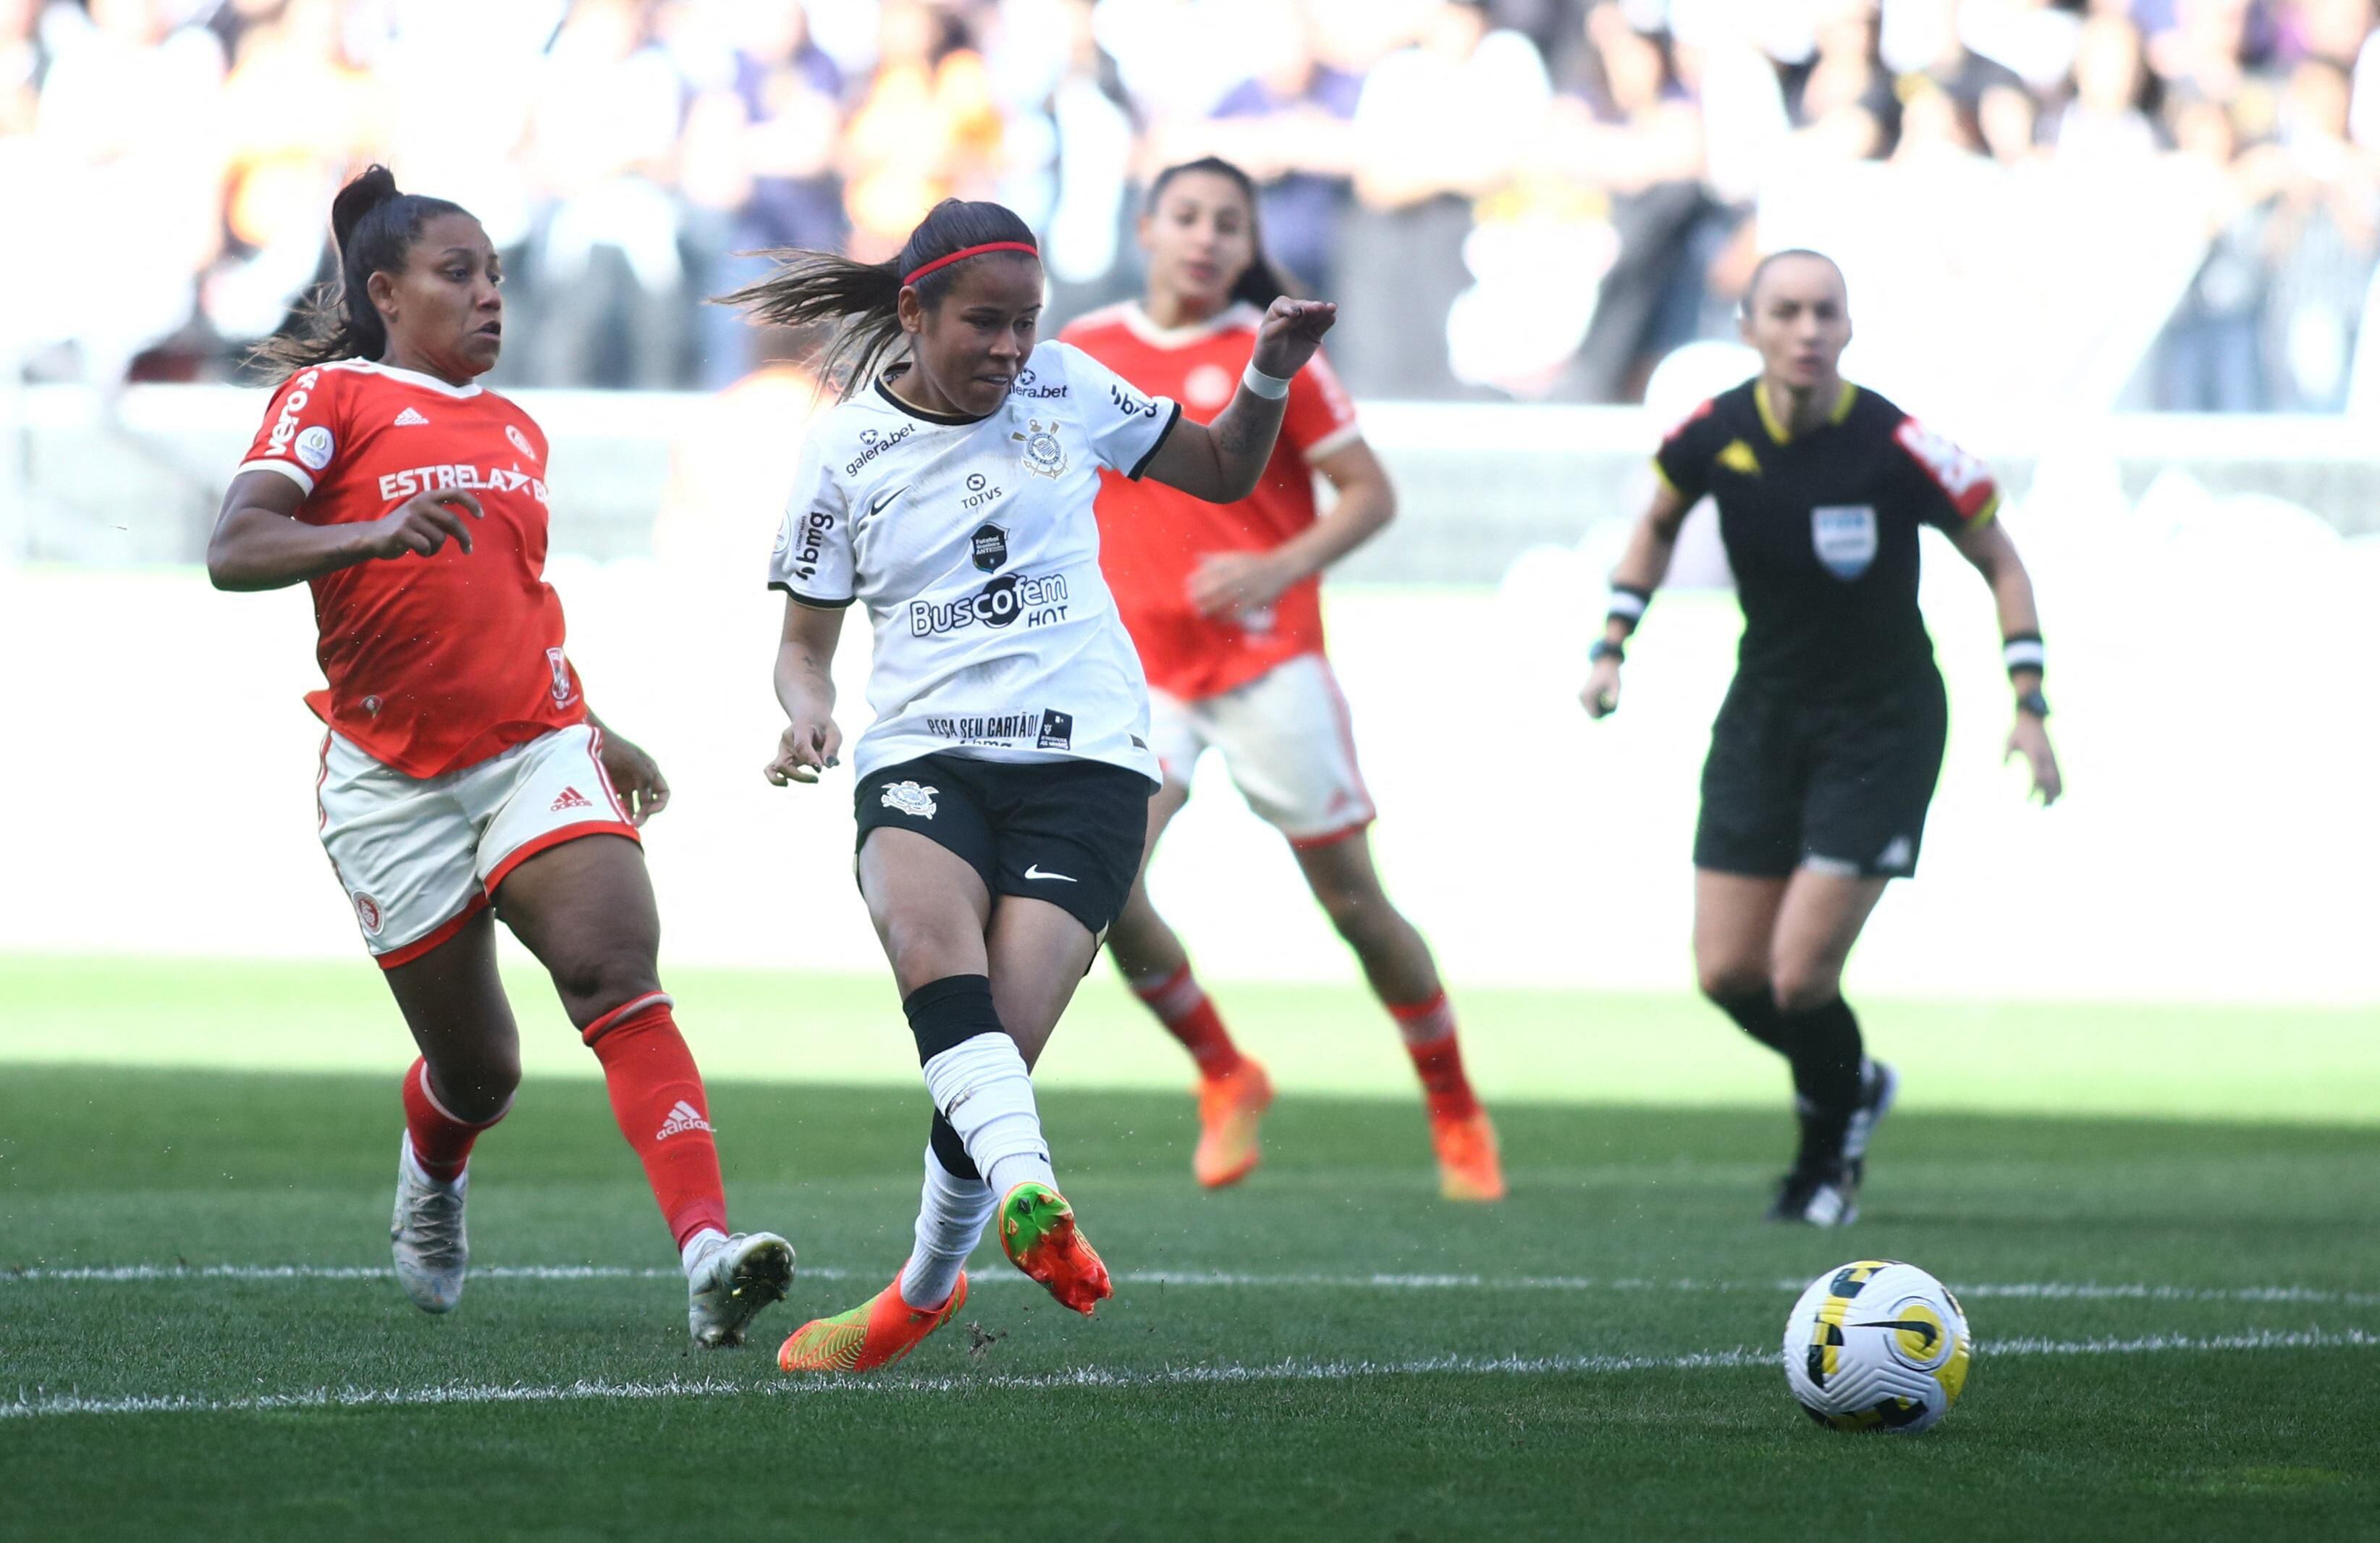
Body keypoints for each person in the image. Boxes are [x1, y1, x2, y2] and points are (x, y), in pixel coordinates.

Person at [726, 197, 1336, 1372]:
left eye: (1026, 324)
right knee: (926, 948)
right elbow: (806, 645)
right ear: (914, 312)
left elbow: (1218, 469)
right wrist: (808, 712)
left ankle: (920, 1291)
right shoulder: (844, 446)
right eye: (985, 325)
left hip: (1091, 761)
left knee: (995, 1048)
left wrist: (1264, 375)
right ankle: (1034, 1195)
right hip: (924, 751)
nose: (1010, 350)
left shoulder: (1068, 385)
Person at [207, 167, 793, 1344]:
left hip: (534, 747)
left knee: (615, 972)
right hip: (390, 781)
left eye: (497, 277)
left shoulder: (518, 428)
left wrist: (593, 724)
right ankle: (435, 1169)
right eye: (458, 274)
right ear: (386, 290)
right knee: (482, 1075)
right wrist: (367, 531)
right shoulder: (334, 396)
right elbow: (235, 546)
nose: (489, 298)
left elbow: (514, 602)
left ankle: (708, 1254)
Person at [1582, 248, 2062, 1227]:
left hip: (1882, 727)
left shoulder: (1897, 444)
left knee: (1800, 976)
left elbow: (2000, 560)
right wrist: (1611, 643)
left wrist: (2029, 699)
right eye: (1787, 312)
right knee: (1727, 974)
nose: (1808, 331)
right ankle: (1855, 1083)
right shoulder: (1711, 434)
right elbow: (1655, 524)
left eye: (1826, 314)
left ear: (1848, 328)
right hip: (1764, 714)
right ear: (1748, 327)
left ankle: (1825, 1161)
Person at [1061, 156, 1503, 1202]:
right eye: (1188, 217)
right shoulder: (1085, 353)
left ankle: (1452, 1103)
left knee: (1353, 902)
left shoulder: (1274, 350)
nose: (1207, 237)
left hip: (1268, 663)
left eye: (1229, 222)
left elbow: (1368, 493)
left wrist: (1274, 563)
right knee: (1106, 884)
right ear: (1146, 228)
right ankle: (1225, 1072)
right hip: (1142, 676)